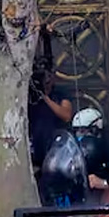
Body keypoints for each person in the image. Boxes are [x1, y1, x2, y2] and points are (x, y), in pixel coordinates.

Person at [28, 26, 74, 171]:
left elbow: (66, 115)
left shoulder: (60, 93)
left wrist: (46, 98)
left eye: (49, 77)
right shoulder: (30, 95)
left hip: (55, 150)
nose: (47, 81)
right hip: (35, 149)